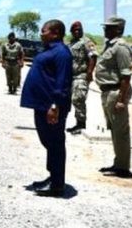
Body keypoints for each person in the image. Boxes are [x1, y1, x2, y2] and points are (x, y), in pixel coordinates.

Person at [21, 20, 73, 198]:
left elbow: (62, 81)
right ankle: (53, 177)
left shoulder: (61, 53)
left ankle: (57, 184)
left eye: (43, 31)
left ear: (55, 33)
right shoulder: (50, 50)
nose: (40, 34)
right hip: (42, 105)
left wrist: (54, 105)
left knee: (55, 143)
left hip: (51, 107)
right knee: (49, 142)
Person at [94, 16, 132, 179]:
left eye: (109, 28)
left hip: (116, 92)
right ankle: (118, 163)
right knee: (114, 130)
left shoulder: (121, 47)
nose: (105, 30)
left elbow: (126, 76)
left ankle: (123, 168)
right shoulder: (109, 45)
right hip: (106, 92)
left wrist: (121, 100)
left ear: (118, 29)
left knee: (121, 131)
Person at [67, 21, 97, 133]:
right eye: (75, 30)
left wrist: (89, 72)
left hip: (82, 75)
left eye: (79, 29)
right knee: (71, 99)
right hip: (71, 76)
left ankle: (81, 124)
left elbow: (93, 57)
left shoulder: (86, 42)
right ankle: (77, 123)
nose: (77, 31)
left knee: (78, 98)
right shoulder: (71, 43)